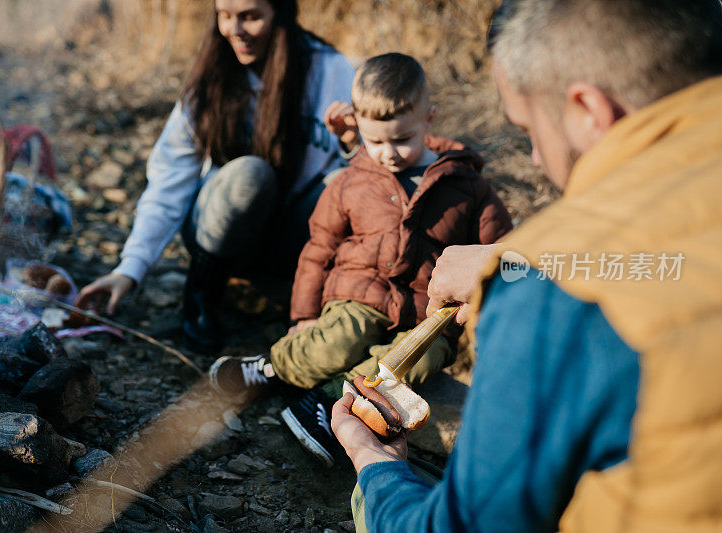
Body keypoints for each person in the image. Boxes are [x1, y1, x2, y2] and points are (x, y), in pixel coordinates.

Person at [331, 0, 722, 531]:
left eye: (529, 128)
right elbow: (667, 267)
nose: (536, 157)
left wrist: (376, 466)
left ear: (588, 110)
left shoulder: (554, 299)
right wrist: (506, 262)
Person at [208, 53, 512, 467]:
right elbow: (319, 249)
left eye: (401, 139)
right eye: (375, 141)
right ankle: (271, 368)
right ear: (359, 131)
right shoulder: (353, 179)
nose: (388, 153)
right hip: (359, 294)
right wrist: (303, 314)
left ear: (430, 118)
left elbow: (499, 247)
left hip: (428, 315)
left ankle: (330, 403)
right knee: (339, 335)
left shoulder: (467, 186)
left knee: (415, 360)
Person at [76, 0, 356, 353]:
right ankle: (202, 293)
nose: (234, 30)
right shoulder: (214, 74)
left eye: (250, 17)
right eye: (225, 16)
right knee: (251, 174)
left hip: (293, 238)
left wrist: (351, 144)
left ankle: (320, 307)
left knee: (343, 186)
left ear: (280, 15)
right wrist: (130, 268)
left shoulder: (329, 69)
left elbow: (367, 169)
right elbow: (169, 177)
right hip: (219, 229)